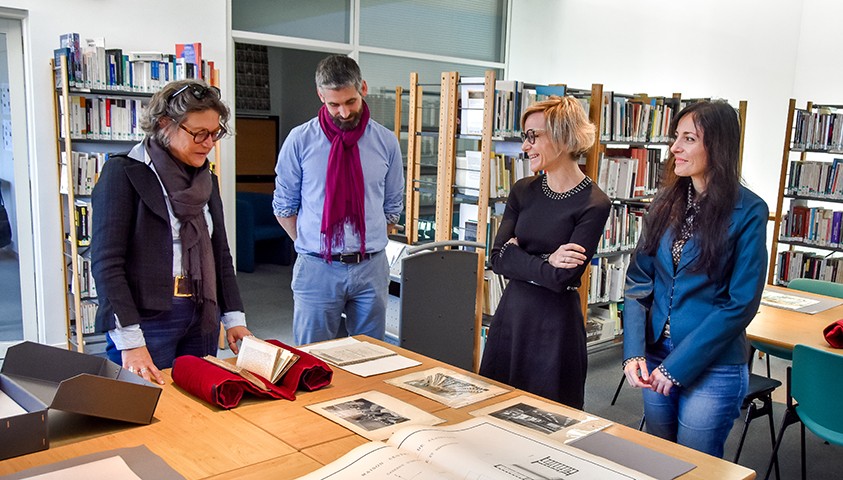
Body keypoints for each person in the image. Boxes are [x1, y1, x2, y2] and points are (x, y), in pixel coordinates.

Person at [621, 100, 768, 458]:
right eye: (676, 137)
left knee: (695, 464)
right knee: (659, 457)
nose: (674, 148)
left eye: (688, 139)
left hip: (713, 363)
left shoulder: (749, 211)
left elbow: (740, 304)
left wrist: (677, 367)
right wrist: (632, 352)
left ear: (716, 146)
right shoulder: (663, 204)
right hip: (654, 354)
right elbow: (639, 282)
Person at [92, 79, 252, 385]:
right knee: (145, 411)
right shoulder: (124, 172)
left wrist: (233, 318)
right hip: (147, 319)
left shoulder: (207, 179)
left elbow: (220, 252)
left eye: (215, 133)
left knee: (200, 406)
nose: (209, 143)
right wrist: (130, 340)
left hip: (202, 312)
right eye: (199, 133)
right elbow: (107, 264)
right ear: (165, 124)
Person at [478, 96, 611, 409]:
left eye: (533, 136)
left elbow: (563, 277)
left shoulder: (594, 203)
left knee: (548, 420)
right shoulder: (523, 190)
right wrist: (546, 261)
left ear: (564, 137)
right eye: (526, 137)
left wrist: (522, 259)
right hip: (511, 318)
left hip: (555, 329)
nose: (526, 146)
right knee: (494, 413)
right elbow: (497, 258)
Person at [273, 55, 404, 346]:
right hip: (317, 267)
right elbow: (284, 206)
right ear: (320, 96)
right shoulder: (300, 140)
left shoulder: (385, 142)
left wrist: (367, 239)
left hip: (371, 267)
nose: (344, 113)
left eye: (351, 102)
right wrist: (312, 244)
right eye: (334, 104)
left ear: (363, 89)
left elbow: (393, 206)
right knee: (311, 359)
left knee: (369, 358)